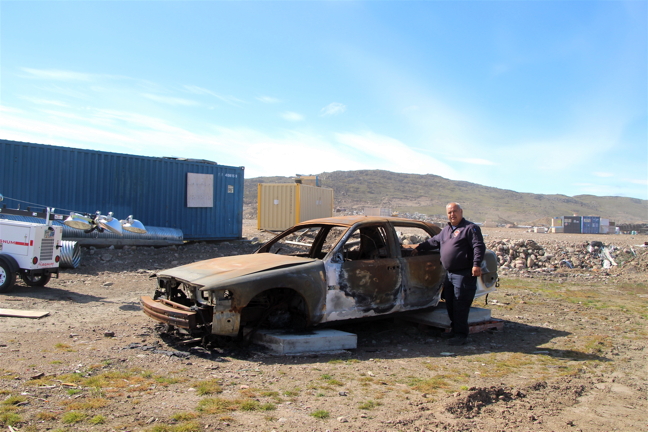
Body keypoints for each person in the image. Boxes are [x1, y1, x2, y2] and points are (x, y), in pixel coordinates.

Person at [412, 202, 486, 345]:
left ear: (461, 212)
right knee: (451, 303)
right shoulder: (446, 230)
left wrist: (476, 264)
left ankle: (461, 335)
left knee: (461, 304)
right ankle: (454, 330)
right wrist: (419, 248)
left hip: (463, 274)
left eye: (454, 211)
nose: (452, 215)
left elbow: (478, 246)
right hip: (450, 274)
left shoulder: (470, 228)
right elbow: (434, 241)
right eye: (449, 212)